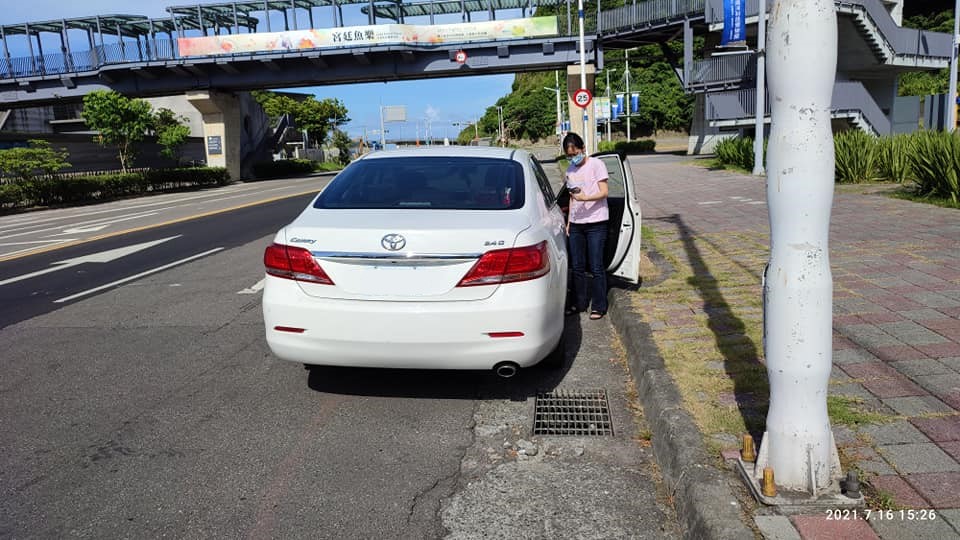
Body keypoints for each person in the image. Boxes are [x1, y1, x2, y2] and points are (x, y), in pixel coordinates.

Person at [563, 132, 609, 320]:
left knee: (596, 266)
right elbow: (572, 198)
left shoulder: (597, 165)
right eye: (569, 155)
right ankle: (579, 303)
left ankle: (599, 306)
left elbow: (604, 192)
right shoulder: (569, 171)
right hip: (576, 224)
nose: (573, 158)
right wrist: (569, 222)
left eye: (575, 153)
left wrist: (586, 198)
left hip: (596, 222)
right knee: (577, 266)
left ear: (583, 149)